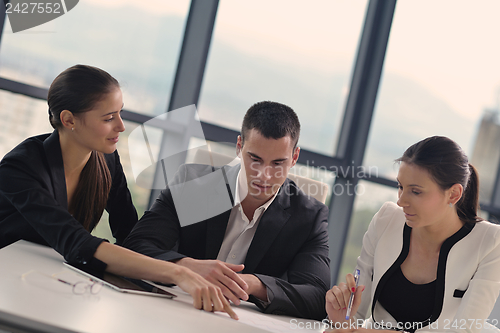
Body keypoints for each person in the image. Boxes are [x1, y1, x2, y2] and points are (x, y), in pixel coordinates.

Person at [0, 64, 236, 319]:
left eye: (120, 113)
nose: (121, 126)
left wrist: (182, 264)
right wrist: (178, 272)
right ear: (69, 120)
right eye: (109, 117)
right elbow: (73, 240)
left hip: (49, 280)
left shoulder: (106, 161)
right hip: (9, 280)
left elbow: (130, 235)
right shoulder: (20, 167)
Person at [123, 101, 331, 320]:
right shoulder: (191, 184)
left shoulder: (310, 217)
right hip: (173, 314)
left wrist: (254, 284)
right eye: (255, 159)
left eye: (277, 163)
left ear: (295, 157)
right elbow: (136, 247)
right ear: (239, 146)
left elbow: (318, 298)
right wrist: (187, 268)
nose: (264, 175)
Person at [325, 136, 500, 332]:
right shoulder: (386, 219)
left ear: (453, 194)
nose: (401, 201)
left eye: (416, 192)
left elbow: (465, 330)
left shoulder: (491, 241)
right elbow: (355, 318)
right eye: (401, 187)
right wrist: (342, 319)